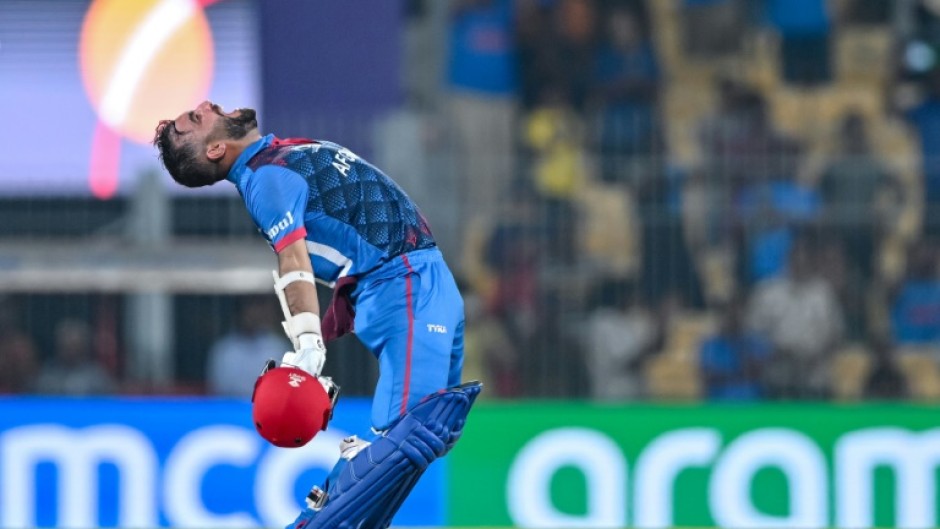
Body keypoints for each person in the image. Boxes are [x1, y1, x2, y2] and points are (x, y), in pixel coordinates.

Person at [153, 101, 479, 529]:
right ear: (215, 150)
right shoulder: (264, 180)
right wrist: (308, 344)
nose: (204, 106)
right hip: (402, 287)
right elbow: (293, 261)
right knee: (413, 430)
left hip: (424, 278)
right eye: (196, 120)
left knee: (434, 433)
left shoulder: (273, 157)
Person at [206, 295, 291, 398]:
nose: (254, 313)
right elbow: (217, 391)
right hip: (232, 411)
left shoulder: (278, 347)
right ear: (239, 312)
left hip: (269, 409)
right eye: (250, 307)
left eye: (259, 307)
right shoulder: (224, 350)